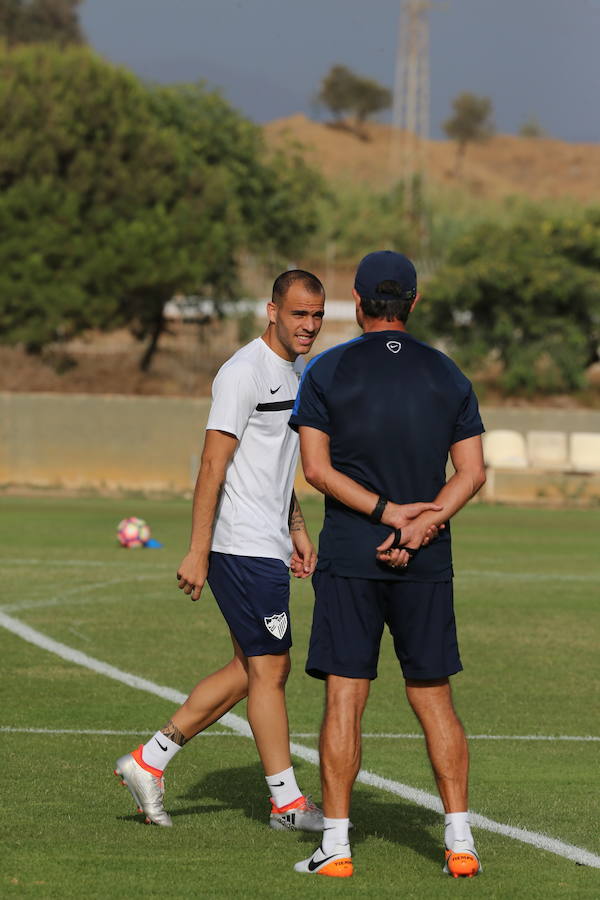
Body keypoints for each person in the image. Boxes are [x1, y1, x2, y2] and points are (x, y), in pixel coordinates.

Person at [289, 251, 486, 879]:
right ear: (414, 303)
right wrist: (422, 523)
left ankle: (337, 847)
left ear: (356, 300)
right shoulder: (447, 373)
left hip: (352, 554)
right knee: (434, 697)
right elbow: (472, 472)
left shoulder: (327, 368)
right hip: (426, 559)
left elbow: (316, 470)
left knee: (345, 697)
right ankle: (460, 841)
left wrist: (386, 513)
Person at [114, 270, 328, 832]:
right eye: (299, 313)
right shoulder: (242, 373)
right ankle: (286, 804)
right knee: (271, 668)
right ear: (272, 311)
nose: (309, 325)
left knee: (250, 668)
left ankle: (148, 761)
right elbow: (214, 464)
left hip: (267, 541)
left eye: (317, 315)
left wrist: (297, 528)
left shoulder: (296, 371)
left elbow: (273, 465)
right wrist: (197, 550)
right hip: (240, 545)